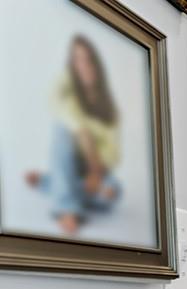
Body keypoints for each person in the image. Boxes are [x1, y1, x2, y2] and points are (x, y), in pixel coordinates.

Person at [25, 34, 121, 236]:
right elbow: (54, 101)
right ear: (72, 66)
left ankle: (51, 183)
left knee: (111, 192)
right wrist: (84, 134)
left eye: (88, 59)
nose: (84, 65)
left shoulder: (110, 108)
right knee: (61, 131)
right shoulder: (68, 97)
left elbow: (113, 155)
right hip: (70, 161)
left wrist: (96, 171)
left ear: (96, 62)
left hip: (95, 171)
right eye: (77, 59)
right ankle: (67, 206)